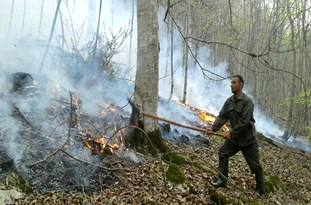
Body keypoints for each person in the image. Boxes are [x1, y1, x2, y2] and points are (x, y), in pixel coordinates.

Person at [206, 75, 266, 195]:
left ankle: (261, 189)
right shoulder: (229, 101)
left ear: (241, 84)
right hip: (235, 139)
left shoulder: (247, 102)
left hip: (248, 140)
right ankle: (222, 180)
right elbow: (222, 116)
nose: (231, 85)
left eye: (234, 83)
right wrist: (213, 129)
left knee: (255, 166)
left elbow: (244, 122)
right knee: (223, 152)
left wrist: (231, 132)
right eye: (231, 83)